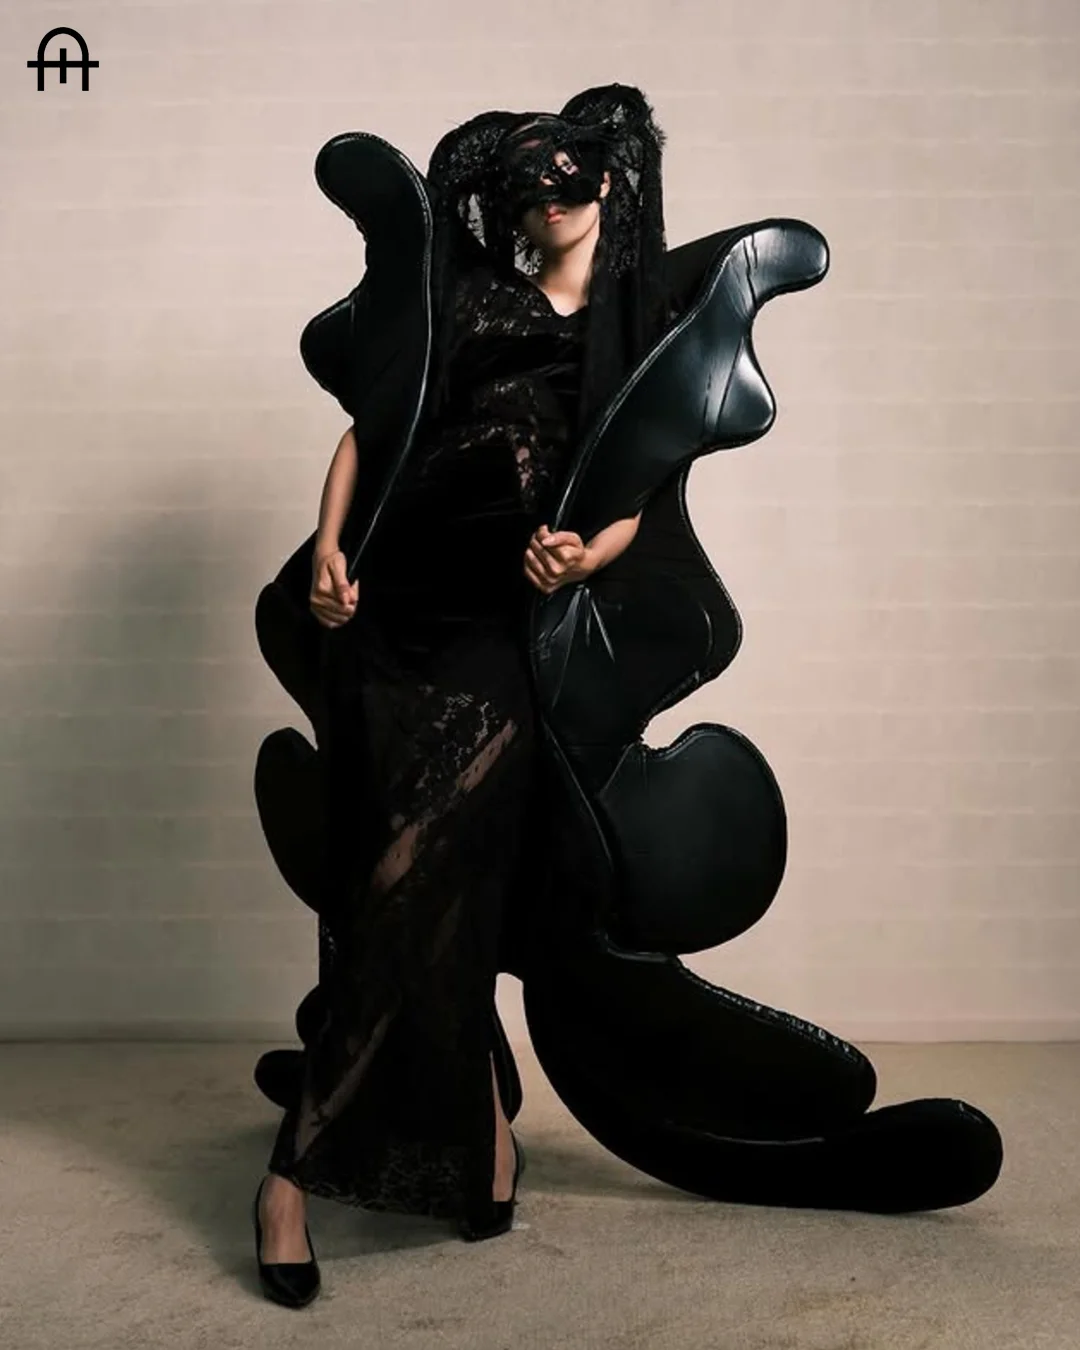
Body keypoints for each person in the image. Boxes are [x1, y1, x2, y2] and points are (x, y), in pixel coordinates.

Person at [251, 84, 673, 1308]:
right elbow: (370, 430)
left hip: (497, 627)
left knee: (437, 879)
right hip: (390, 612)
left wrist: (585, 558)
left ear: (608, 181)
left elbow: (644, 485)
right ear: (510, 209)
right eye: (527, 189)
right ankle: (315, 1176)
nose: (552, 201)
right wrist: (332, 553)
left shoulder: (636, 326)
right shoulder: (473, 296)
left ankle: (428, 1131)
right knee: (387, 883)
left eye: (569, 178)